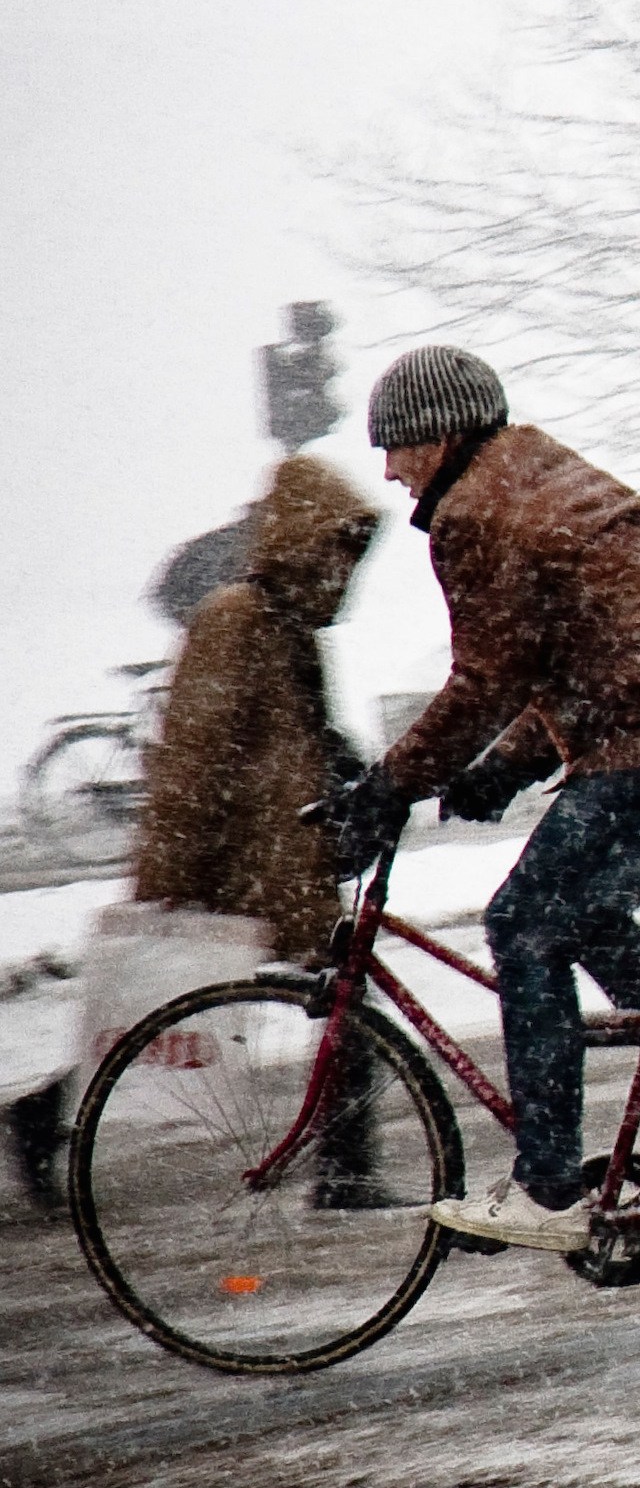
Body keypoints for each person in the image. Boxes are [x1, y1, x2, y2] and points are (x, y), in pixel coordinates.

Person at [314, 347, 640, 1251]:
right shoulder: (540, 477)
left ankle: (548, 1188)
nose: (389, 470)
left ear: (446, 433)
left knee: (524, 923)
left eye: (398, 446)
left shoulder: (480, 510)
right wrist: (501, 768)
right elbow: (586, 654)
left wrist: (390, 786)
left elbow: (486, 679)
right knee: (576, 911)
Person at [74, 455, 390, 1208]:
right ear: (300, 543)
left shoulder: (288, 631)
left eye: (351, 557)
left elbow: (311, 740)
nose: (343, 572)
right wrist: (168, 884)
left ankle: (347, 1172)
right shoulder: (235, 622)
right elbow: (193, 761)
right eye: (333, 551)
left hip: (282, 862)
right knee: (153, 1009)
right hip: (238, 868)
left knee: (346, 998)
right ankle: (46, 1114)